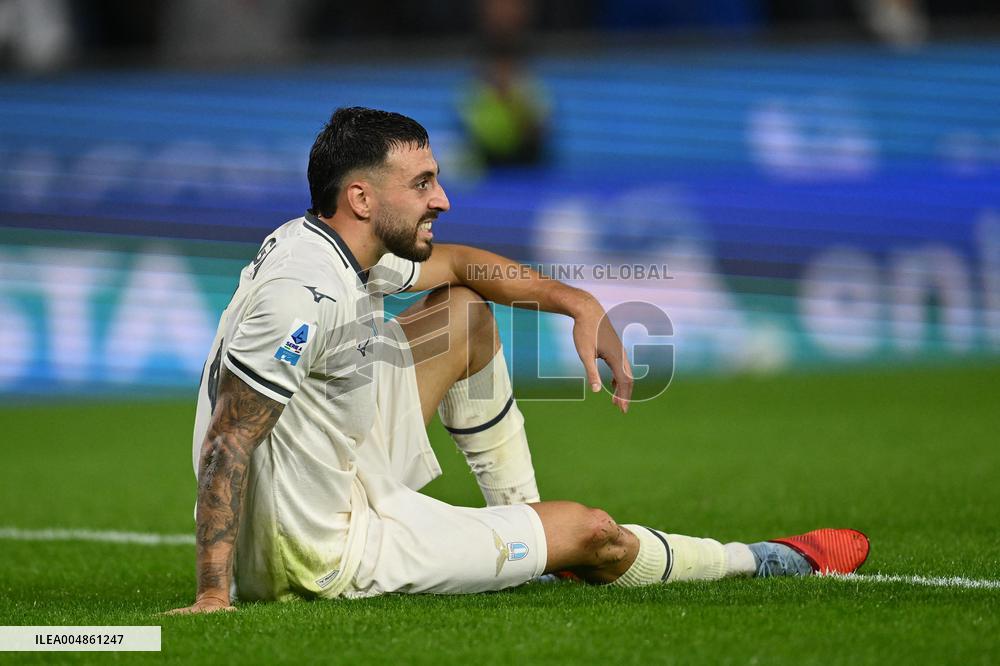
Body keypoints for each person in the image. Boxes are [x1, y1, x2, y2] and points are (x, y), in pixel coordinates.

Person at [167, 107, 868, 613]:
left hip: (333, 467)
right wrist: (211, 596)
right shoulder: (304, 292)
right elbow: (229, 442)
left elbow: (466, 264)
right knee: (593, 533)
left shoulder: (328, 245)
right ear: (361, 197)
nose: (441, 198)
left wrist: (577, 303)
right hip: (324, 553)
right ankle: (765, 559)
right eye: (421, 184)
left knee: (464, 313)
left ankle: (523, 526)